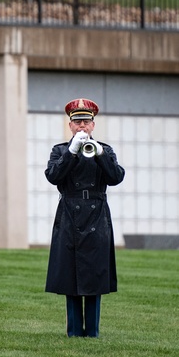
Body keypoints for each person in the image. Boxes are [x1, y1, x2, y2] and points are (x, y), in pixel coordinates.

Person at [44, 98, 125, 337]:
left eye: (86, 122)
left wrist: (100, 153)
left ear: (93, 125)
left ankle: (93, 332)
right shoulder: (60, 150)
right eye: (77, 122)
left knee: (95, 275)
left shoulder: (105, 150)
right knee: (70, 276)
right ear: (70, 125)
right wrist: (71, 152)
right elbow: (53, 176)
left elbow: (116, 177)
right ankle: (73, 332)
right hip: (69, 213)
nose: (82, 127)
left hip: (97, 216)